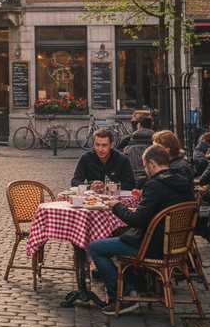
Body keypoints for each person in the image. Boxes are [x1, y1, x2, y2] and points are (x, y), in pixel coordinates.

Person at [88, 144, 194, 314]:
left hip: (151, 245)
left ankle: (122, 294)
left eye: (145, 166)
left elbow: (137, 221)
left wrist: (116, 206)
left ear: (152, 164)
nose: (145, 170)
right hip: (176, 245)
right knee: (121, 235)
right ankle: (130, 287)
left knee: (95, 247)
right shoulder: (184, 183)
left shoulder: (155, 185)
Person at [71, 129, 135, 190]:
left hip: (114, 197)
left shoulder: (122, 159)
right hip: (92, 199)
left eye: (104, 145)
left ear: (111, 145)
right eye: (97, 145)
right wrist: (90, 186)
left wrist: (114, 186)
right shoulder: (86, 158)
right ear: (93, 145)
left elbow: (130, 184)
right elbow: (75, 181)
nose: (100, 149)